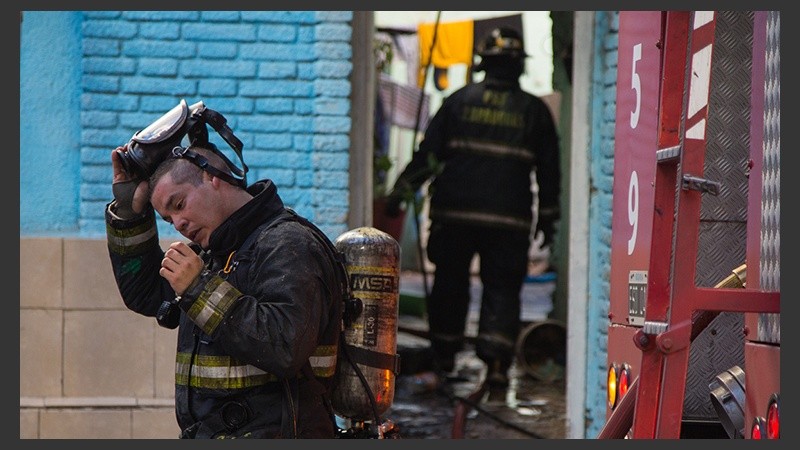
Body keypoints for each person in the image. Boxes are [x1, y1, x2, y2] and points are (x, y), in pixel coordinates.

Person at [105, 142, 344, 438]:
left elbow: (286, 346)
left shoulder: (288, 244)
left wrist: (198, 289)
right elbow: (145, 293)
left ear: (212, 176)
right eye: (168, 219)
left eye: (179, 205)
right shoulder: (215, 256)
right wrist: (129, 212)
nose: (178, 223)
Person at [385, 27, 561, 387]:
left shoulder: (458, 101)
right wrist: (548, 217)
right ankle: (496, 365)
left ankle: (444, 357)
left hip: (455, 215)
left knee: (450, 284)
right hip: (507, 219)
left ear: (485, 63)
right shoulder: (534, 111)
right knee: (503, 287)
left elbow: (428, 155)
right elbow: (549, 170)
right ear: (517, 65)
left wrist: (400, 193)